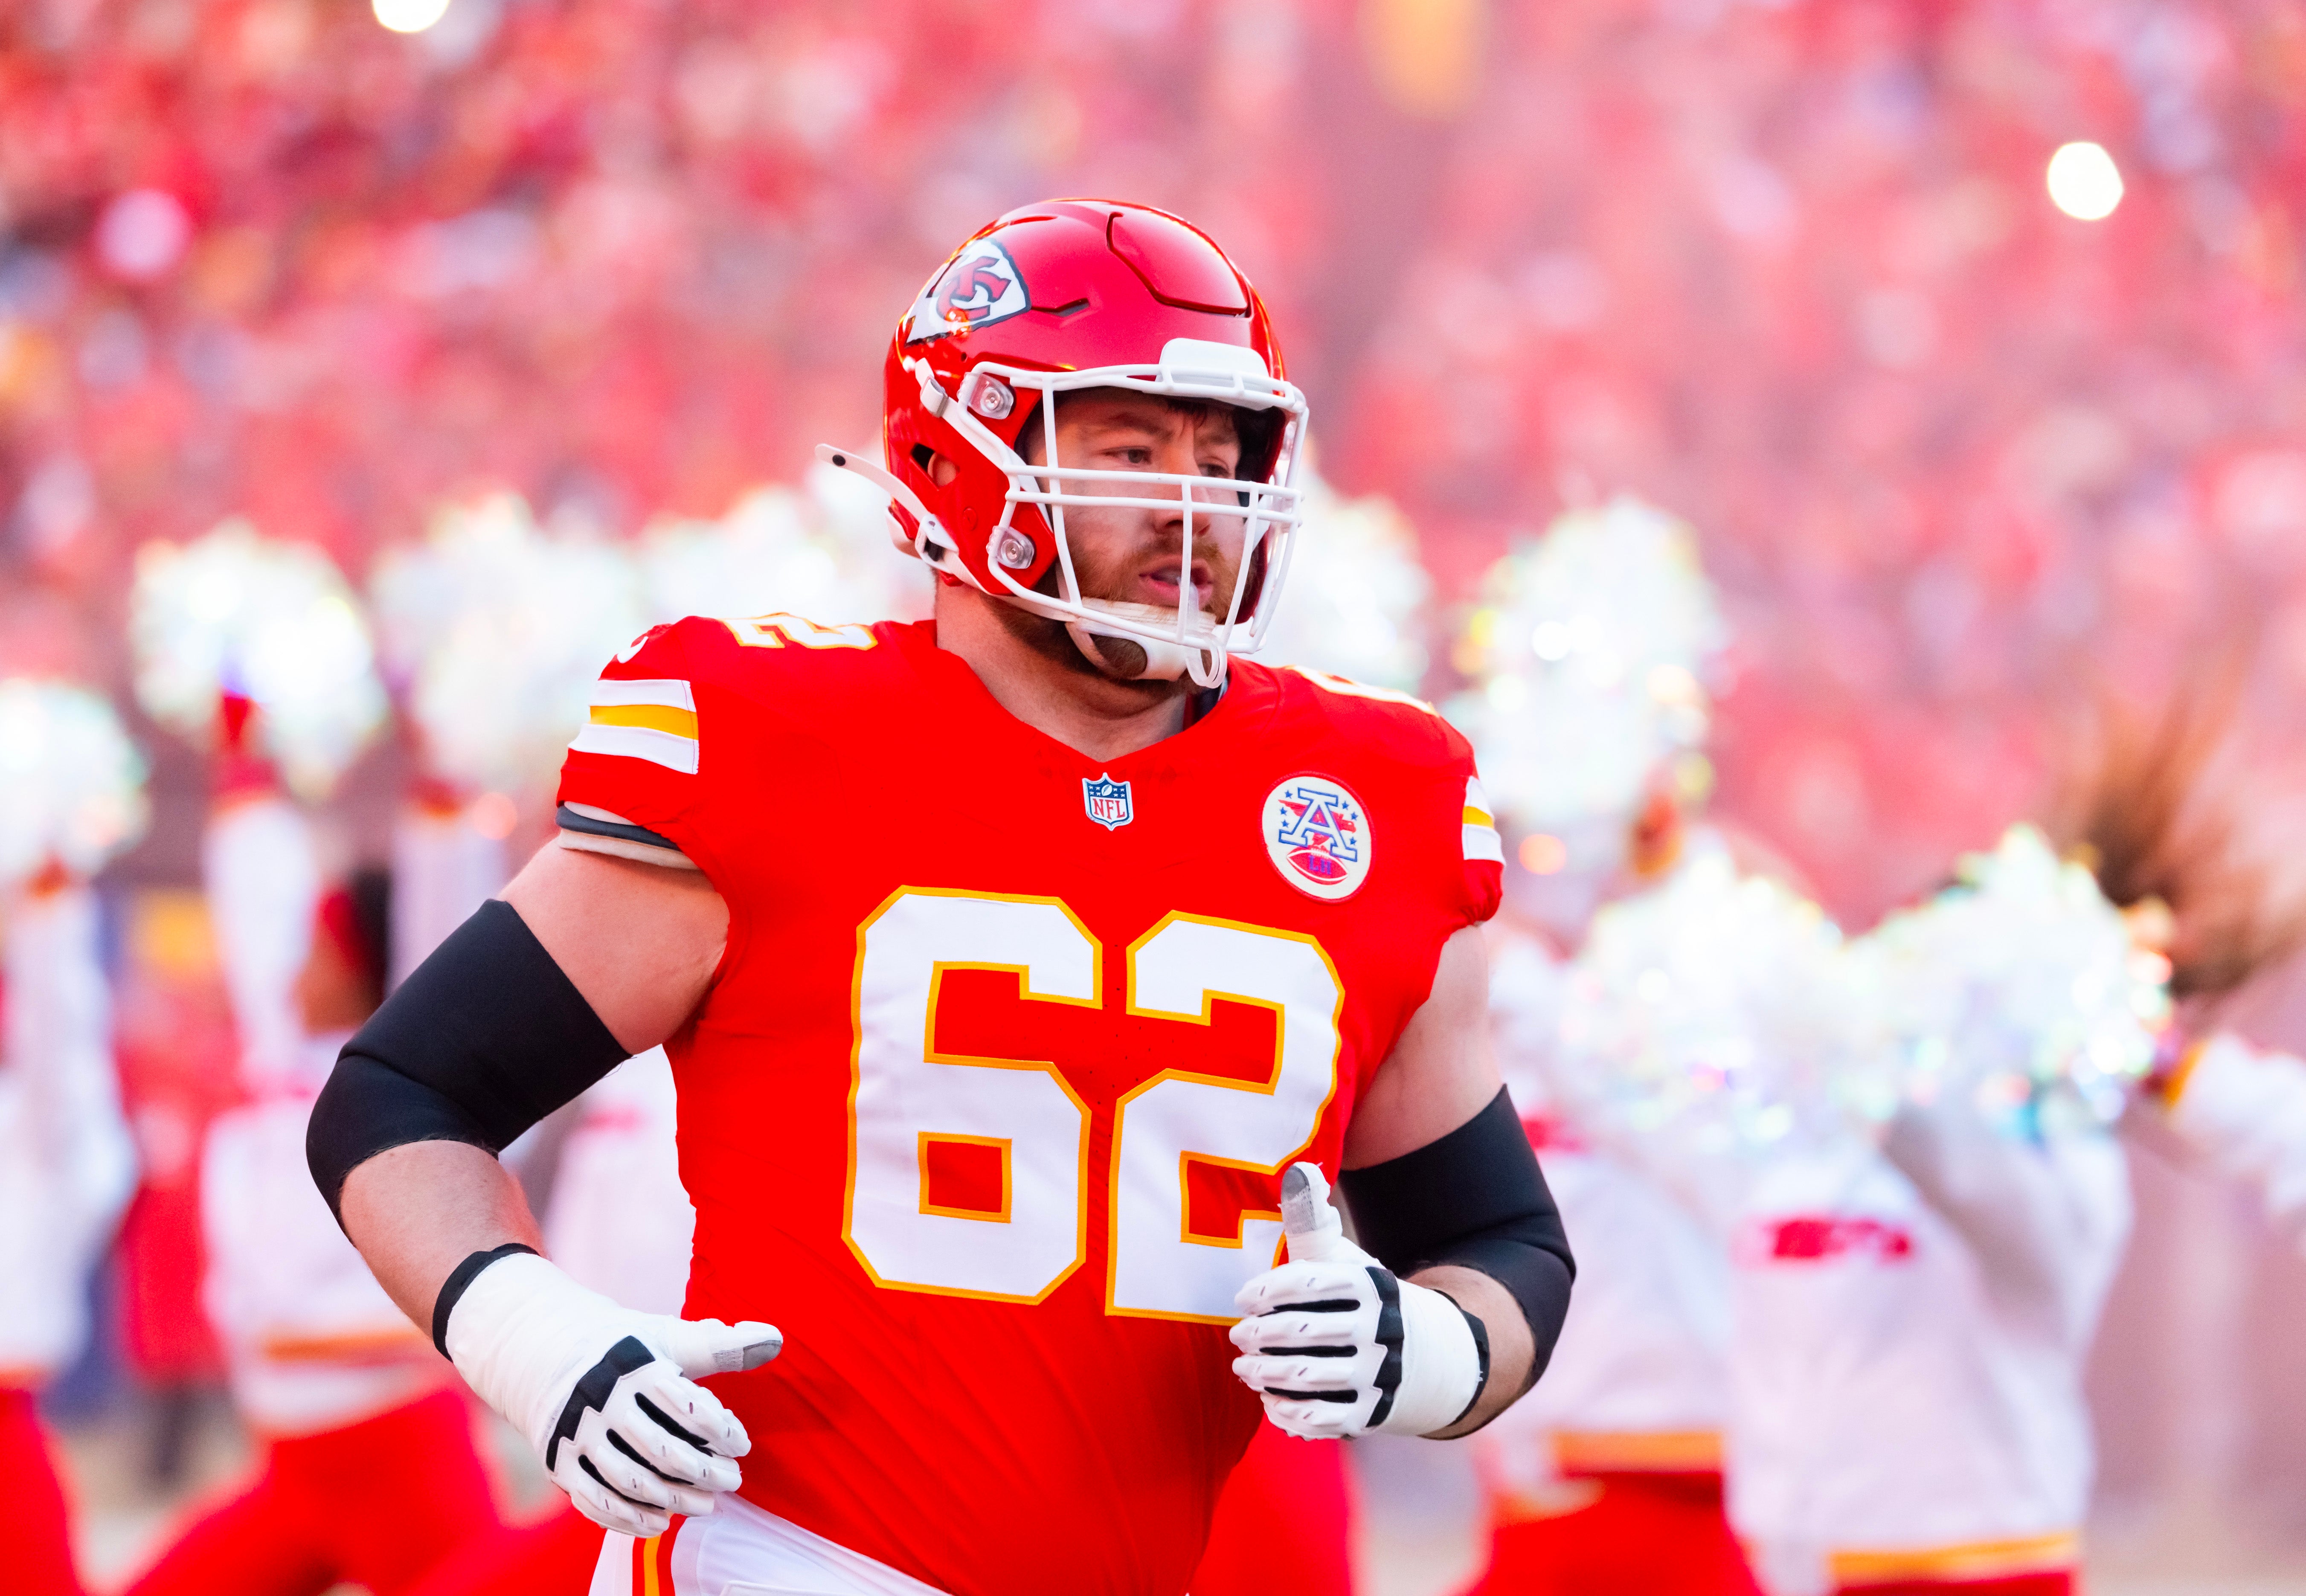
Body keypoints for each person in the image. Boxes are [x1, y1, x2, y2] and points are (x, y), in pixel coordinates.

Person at [307, 198, 1575, 1596]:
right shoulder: (771, 738)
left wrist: (1427, 1349)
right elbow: (400, 1095)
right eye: (1130, 448)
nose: (1195, 503)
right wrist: (536, 1339)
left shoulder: (1371, 795)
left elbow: (1498, 1242)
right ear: (958, 450)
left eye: (1224, 455)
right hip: (786, 1561)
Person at [127, 865, 501, 1596]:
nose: (295, 966)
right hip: (292, 1468)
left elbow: (442, 937)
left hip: (401, 1459)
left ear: (364, 965)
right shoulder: (274, 1077)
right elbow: (253, 900)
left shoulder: (419, 1099)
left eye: (318, 948)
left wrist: (443, 809)